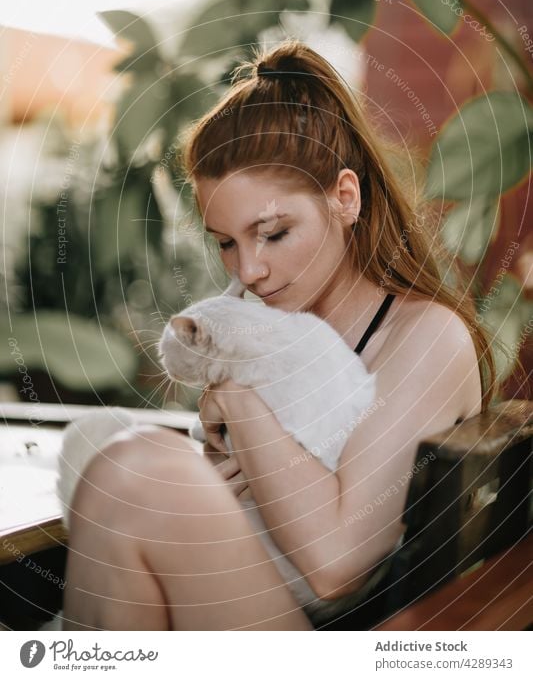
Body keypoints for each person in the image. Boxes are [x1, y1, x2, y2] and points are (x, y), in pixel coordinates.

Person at [62, 40, 497, 631]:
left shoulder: (425, 336)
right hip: (251, 605)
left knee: (139, 471)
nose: (247, 271)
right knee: (129, 469)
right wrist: (214, 488)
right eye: (226, 242)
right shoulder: (263, 325)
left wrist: (238, 401)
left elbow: (336, 566)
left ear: (345, 198)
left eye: (272, 232)